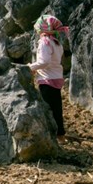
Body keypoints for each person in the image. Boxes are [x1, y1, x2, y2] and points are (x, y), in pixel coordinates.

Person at [28, 15, 70, 144]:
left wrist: (30, 67)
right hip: (56, 77)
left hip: (47, 79)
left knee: (47, 109)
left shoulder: (44, 42)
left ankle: (51, 136)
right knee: (57, 108)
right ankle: (61, 135)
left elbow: (44, 62)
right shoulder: (56, 42)